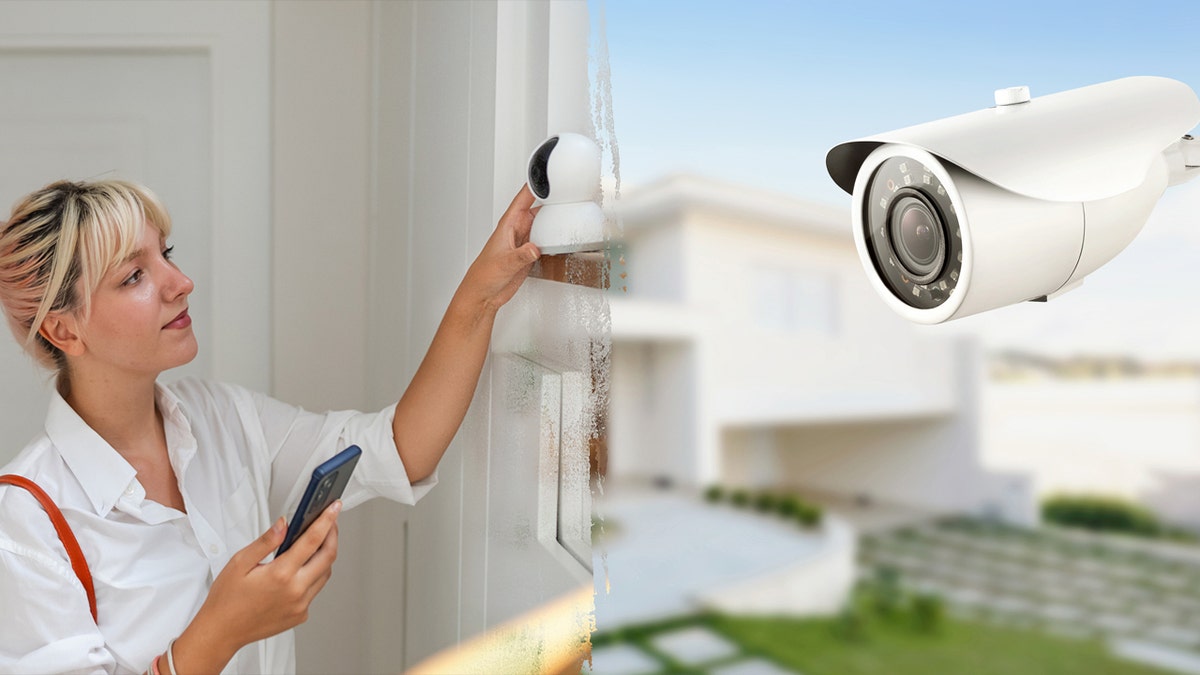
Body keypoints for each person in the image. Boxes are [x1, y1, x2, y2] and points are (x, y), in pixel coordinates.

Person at [0, 179, 541, 673]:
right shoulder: (26, 520)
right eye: (135, 275)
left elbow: (401, 449)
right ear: (63, 330)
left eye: (166, 254)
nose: (182, 282)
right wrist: (221, 631)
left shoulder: (222, 418)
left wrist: (481, 296)